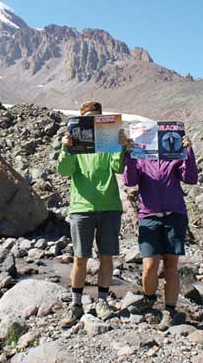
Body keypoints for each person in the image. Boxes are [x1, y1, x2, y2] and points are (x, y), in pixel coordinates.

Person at [57, 101, 128, 327]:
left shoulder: (107, 144)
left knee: (106, 256)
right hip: (81, 208)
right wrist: (65, 147)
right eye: (88, 117)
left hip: (109, 207)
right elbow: (64, 170)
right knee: (80, 258)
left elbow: (118, 168)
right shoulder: (75, 145)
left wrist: (120, 146)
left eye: (96, 117)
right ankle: (75, 303)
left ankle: (103, 301)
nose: (92, 121)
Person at [123, 134, 197, 330]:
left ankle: (170, 310)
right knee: (149, 265)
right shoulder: (140, 157)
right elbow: (129, 181)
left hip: (175, 216)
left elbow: (190, 178)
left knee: (171, 266)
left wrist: (188, 151)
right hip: (149, 217)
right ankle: (148, 298)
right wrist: (130, 154)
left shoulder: (173, 156)